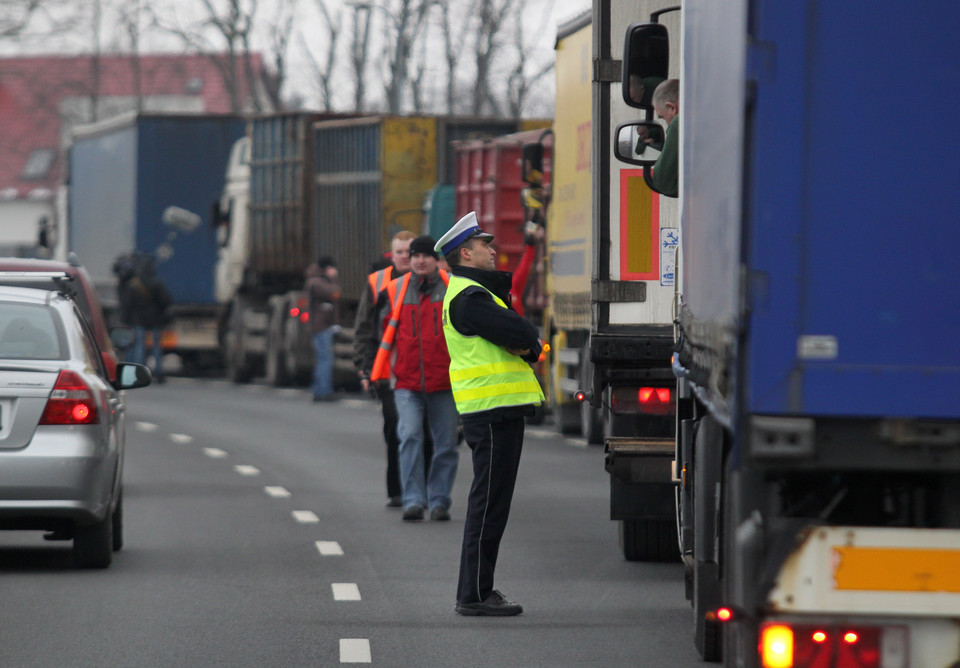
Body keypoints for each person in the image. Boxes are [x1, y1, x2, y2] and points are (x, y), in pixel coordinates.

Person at [436, 211, 544, 617]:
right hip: (492, 412)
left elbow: (517, 333)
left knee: (491, 501)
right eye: (485, 245)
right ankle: (474, 594)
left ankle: (479, 589)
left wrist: (525, 341)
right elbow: (522, 333)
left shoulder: (472, 293)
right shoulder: (469, 297)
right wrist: (529, 342)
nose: (493, 250)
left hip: (494, 411)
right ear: (465, 252)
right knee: (488, 503)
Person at [370, 235, 459, 522]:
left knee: (445, 444)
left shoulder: (452, 288)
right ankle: (413, 500)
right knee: (409, 436)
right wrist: (373, 372)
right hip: (406, 383)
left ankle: (439, 501)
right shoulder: (394, 291)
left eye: (427, 256)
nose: (420, 261)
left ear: (436, 260)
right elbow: (379, 334)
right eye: (416, 255)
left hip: (445, 383)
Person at [354, 230, 422, 507]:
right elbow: (363, 329)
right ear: (391, 256)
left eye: (410, 252)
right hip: (389, 373)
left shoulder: (432, 281)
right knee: (395, 429)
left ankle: (421, 490)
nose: (405, 257)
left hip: (423, 371)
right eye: (400, 252)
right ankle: (397, 490)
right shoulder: (379, 283)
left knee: (424, 433)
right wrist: (364, 369)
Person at [120, 253, 172, 383]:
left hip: (139, 319)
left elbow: (128, 304)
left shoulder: (134, 285)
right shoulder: (157, 283)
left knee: (139, 346)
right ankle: (158, 371)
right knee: (156, 347)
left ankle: (139, 372)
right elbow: (166, 300)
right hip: (155, 319)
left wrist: (126, 318)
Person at [305, 256, 341, 402]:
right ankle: (323, 391)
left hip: (321, 327)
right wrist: (333, 279)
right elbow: (335, 293)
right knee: (325, 359)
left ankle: (319, 389)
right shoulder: (317, 283)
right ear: (327, 268)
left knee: (322, 359)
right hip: (321, 327)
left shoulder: (315, 282)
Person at [651, 78, 679, 198]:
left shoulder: (680, 122)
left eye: (663, 117)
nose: (667, 123)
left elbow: (663, 182)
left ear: (672, 108)